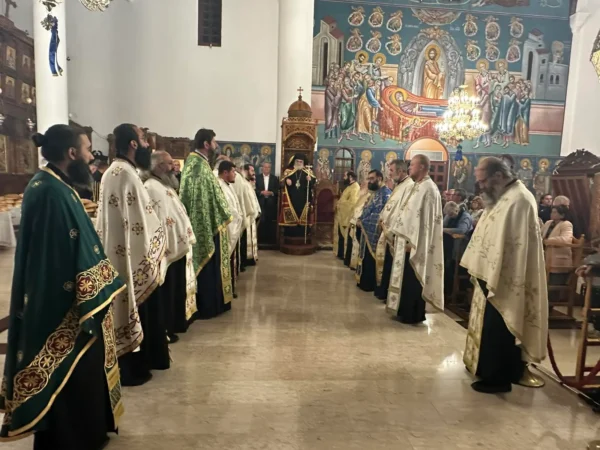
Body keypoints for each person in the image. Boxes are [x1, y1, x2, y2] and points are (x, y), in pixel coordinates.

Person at [0, 125, 124, 448]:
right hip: (61, 302)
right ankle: (71, 439)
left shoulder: (55, 184)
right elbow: (60, 253)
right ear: (72, 153)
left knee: (83, 370)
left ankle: (86, 432)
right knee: (70, 371)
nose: (91, 156)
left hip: (68, 295)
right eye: (87, 149)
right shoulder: (49, 191)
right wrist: (94, 287)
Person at [462, 157, 548, 394]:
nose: (481, 187)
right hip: (489, 273)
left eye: (483, 181)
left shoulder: (520, 200)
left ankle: (498, 378)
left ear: (498, 176)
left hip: (507, 279)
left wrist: (495, 272)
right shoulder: (502, 197)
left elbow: (516, 247)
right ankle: (487, 369)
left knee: (499, 329)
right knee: (489, 327)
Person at [96, 123, 169, 386]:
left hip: (122, 252)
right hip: (132, 255)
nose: (148, 145)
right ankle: (135, 365)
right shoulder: (125, 174)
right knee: (136, 306)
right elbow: (143, 221)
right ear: (133, 144)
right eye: (143, 139)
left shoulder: (114, 172)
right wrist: (160, 241)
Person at [180, 128, 234, 319]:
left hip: (211, 221)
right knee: (209, 266)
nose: (216, 145)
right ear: (206, 144)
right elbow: (200, 201)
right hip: (205, 225)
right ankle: (209, 305)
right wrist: (218, 216)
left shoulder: (199, 164)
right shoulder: (197, 167)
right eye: (214, 142)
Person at [144, 151, 197, 340]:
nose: (174, 167)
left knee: (175, 290)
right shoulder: (151, 187)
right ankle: (165, 329)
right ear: (159, 166)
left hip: (176, 248)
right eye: (169, 164)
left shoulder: (164, 185)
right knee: (167, 292)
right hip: (166, 250)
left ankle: (174, 323)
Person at [386, 154, 444, 324]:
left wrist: (416, 243)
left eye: (412, 165)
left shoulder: (429, 188)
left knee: (413, 280)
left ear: (421, 167)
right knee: (405, 279)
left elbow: (427, 221)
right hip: (405, 241)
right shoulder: (416, 186)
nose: (409, 168)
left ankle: (412, 314)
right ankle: (403, 310)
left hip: (416, 243)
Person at [374, 160, 414, 300]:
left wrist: (389, 227)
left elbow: (402, 211)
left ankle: (388, 294)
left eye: (391, 170)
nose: (389, 174)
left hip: (395, 232)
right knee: (387, 264)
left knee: (392, 265)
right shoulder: (399, 185)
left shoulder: (409, 186)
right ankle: (384, 292)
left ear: (401, 171)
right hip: (387, 229)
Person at [356, 170, 392, 292]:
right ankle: (363, 281)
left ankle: (369, 284)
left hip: (374, 232)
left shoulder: (385, 194)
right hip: (366, 230)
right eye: (368, 179)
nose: (369, 181)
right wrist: (360, 218)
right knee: (366, 257)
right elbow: (367, 209)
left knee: (371, 259)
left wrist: (362, 222)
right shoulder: (376, 193)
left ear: (379, 179)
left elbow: (380, 215)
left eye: (372, 178)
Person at [216, 160, 244, 297]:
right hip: (227, 230)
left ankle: (230, 289)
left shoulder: (227, 185)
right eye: (233, 172)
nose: (235, 175)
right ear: (225, 172)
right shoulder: (220, 186)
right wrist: (238, 218)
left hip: (233, 227)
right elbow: (228, 210)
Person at [279, 153, 317, 238]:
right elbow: (281, 183)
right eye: (297, 161)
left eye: (301, 162)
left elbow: (313, 184)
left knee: (303, 213)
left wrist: (310, 180)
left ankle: (303, 235)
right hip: (291, 198)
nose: (299, 163)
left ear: (303, 162)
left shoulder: (308, 172)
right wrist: (286, 180)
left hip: (304, 198)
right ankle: (289, 234)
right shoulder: (288, 171)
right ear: (294, 161)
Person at [541, 204, 573, 290]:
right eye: (552, 212)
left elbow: (566, 239)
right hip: (545, 257)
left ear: (562, 215)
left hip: (558, 260)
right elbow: (540, 235)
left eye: (555, 212)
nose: (552, 214)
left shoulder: (566, 224)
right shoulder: (548, 223)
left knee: (552, 288)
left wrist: (547, 241)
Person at [333, 171, 360, 260]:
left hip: (347, 216)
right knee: (340, 235)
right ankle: (340, 253)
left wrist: (340, 205)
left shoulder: (355, 187)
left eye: (345, 176)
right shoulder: (349, 187)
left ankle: (344, 255)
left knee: (345, 236)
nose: (343, 177)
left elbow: (352, 203)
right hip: (342, 215)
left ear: (350, 177)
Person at [346, 182, 371, 268]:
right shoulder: (362, 196)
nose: (361, 186)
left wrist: (355, 219)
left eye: (363, 184)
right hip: (355, 222)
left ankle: (356, 265)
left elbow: (362, 210)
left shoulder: (368, 196)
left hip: (360, 223)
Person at [255, 161, 279, 247]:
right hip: (260, 203)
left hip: (271, 204)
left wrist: (271, 193)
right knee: (261, 221)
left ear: (270, 169)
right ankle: (260, 240)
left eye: (268, 167)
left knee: (269, 221)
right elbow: (254, 189)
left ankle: (269, 240)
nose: (266, 169)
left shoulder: (274, 178)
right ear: (262, 168)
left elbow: (277, 190)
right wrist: (261, 192)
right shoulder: (257, 178)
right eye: (265, 167)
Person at [243, 164, 261, 265]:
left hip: (252, 215)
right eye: (252, 170)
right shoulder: (244, 184)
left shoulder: (248, 183)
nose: (254, 173)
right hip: (247, 215)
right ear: (246, 171)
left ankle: (252, 256)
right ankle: (248, 258)